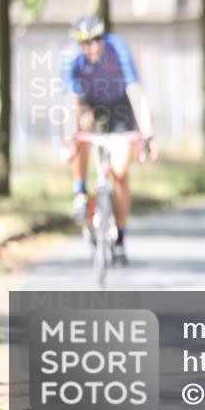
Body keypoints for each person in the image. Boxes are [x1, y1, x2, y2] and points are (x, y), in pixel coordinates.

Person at [62, 15, 157, 265]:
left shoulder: (118, 48)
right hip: (90, 104)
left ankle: (120, 238)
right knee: (79, 131)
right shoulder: (70, 57)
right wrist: (68, 138)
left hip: (120, 107)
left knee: (120, 171)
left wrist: (147, 133)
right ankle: (79, 190)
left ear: (103, 38)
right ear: (78, 44)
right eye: (86, 43)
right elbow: (70, 101)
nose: (92, 47)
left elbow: (135, 91)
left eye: (97, 40)